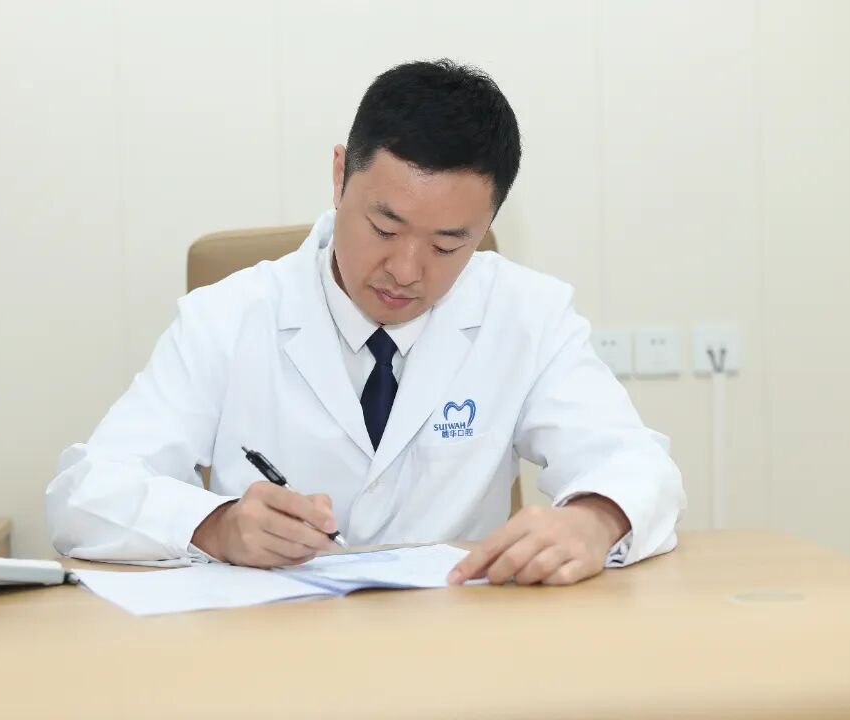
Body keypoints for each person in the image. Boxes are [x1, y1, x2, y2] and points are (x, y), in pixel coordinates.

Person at [46, 59, 685, 586]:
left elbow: (636, 464)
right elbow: (85, 494)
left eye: (447, 244)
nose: (405, 271)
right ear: (338, 177)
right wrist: (215, 525)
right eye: (384, 227)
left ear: (486, 226)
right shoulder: (228, 316)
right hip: (269, 652)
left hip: (456, 647)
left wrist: (596, 519)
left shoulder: (529, 315)